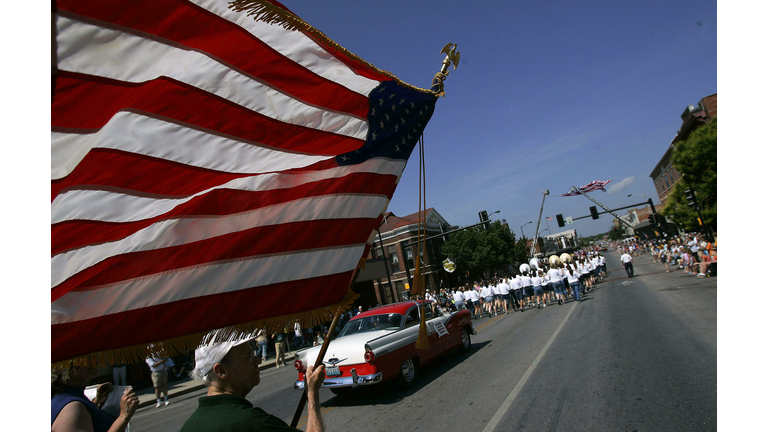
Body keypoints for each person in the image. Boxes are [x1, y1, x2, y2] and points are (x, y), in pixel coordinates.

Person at [181, 337, 326, 432]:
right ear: (222, 370)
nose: (258, 361)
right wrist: (312, 394)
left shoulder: (189, 426)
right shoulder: (250, 422)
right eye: (249, 357)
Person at [52, 364, 139, 432]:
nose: (95, 361)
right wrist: (124, 416)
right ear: (66, 367)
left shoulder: (70, 398)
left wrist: (97, 403)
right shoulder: (71, 406)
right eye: (87, 358)